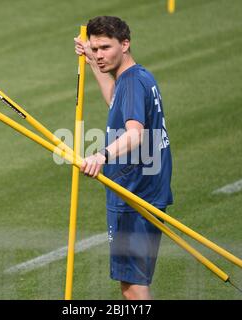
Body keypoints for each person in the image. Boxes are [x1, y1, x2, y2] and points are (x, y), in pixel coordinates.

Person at [75, 16, 173, 300]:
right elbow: (114, 100)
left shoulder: (130, 83)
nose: (99, 54)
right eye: (94, 49)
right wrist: (92, 63)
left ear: (125, 44)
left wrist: (101, 155)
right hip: (148, 190)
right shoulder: (139, 77)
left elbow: (134, 134)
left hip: (132, 194)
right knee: (134, 280)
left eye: (105, 48)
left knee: (132, 286)